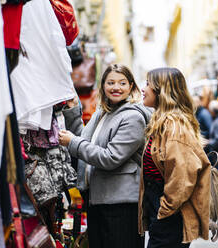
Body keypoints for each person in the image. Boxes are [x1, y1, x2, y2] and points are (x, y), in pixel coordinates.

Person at [58, 64, 151, 248]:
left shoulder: (133, 118)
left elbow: (110, 158)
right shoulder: (103, 113)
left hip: (122, 204)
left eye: (122, 83)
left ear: (131, 86)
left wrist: (72, 142)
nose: (116, 87)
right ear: (103, 86)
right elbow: (85, 142)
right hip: (99, 199)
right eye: (111, 82)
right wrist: (72, 111)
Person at [139, 67, 211, 248]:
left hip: (170, 215)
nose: (143, 89)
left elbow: (183, 174)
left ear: (161, 90)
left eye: (148, 84)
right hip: (163, 210)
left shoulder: (174, 125)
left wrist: (165, 210)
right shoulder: (163, 123)